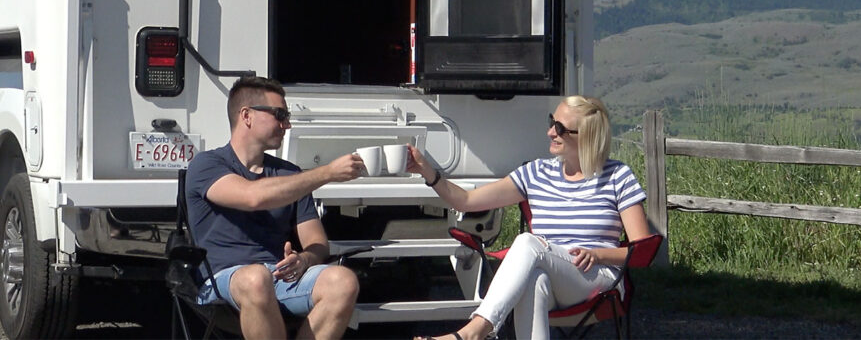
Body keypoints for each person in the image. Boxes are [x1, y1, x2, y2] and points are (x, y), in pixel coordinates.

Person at [409, 96, 650, 340]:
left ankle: (473, 332)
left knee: (527, 242)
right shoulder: (536, 173)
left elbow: (642, 250)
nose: (549, 132)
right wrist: (427, 171)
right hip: (551, 275)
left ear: (586, 136)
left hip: (597, 278)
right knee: (535, 280)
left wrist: (599, 254)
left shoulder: (618, 176)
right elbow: (466, 201)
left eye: (559, 128)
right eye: (551, 122)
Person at [185, 75, 364, 340]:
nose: (287, 124)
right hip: (222, 278)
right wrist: (326, 173)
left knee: (344, 282)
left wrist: (304, 260)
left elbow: (317, 243)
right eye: (279, 114)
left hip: (278, 277)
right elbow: (252, 197)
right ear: (247, 116)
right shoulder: (207, 164)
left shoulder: (290, 175)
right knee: (256, 279)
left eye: (287, 115)